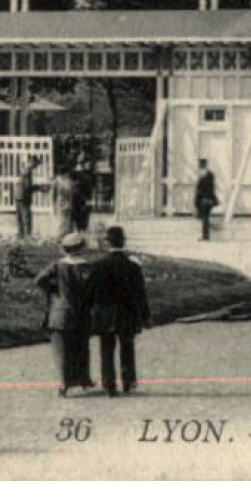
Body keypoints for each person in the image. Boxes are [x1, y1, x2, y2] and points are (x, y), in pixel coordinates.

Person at [89, 226, 152, 396]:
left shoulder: (99, 266)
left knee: (106, 349)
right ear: (123, 242)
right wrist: (145, 316)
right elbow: (140, 294)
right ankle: (128, 381)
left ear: (108, 242)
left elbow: (91, 292)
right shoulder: (132, 267)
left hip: (106, 313)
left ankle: (109, 384)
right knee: (127, 347)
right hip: (126, 312)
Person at [35, 231, 96, 396]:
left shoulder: (58, 265)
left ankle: (63, 383)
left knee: (61, 349)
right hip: (82, 313)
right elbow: (93, 290)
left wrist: (54, 290)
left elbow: (39, 280)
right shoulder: (89, 267)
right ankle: (83, 379)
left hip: (60, 313)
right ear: (82, 248)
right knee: (81, 347)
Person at [15, 155, 43, 239]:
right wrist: (39, 188)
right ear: (32, 162)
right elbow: (28, 187)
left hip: (18, 195)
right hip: (24, 197)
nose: (36, 167)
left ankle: (21, 235)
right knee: (26, 217)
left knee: (20, 218)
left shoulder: (23, 169)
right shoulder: (27, 171)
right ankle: (27, 236)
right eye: (35, 165)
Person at [194, 160, 218, 241]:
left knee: (205, 218)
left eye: (200, 164)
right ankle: (207, 233)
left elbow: (207, 189)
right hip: (205, 199)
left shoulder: (207, 176)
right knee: (204, 218)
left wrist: (206, 199)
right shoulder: (207, 175)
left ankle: (206, 235)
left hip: (205, 200)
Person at [53, 169, 78, 241]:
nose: (67, 176)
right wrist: (54, 205)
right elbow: (53, 194)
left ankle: (66, 236)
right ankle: (59, 237)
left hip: (68, 203)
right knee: (61, 221)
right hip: (61, 203)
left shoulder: (69, 181)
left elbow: (72, 193)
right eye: (66, 174)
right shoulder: (57, 182)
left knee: (68, 221)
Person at [70, 164, 93, 232]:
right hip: (82, 201)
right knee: (83, 219)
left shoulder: (75, 181)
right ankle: (82, 231)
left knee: (79, 219)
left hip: (79, 201)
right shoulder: (88, 178)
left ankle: (79, 231)